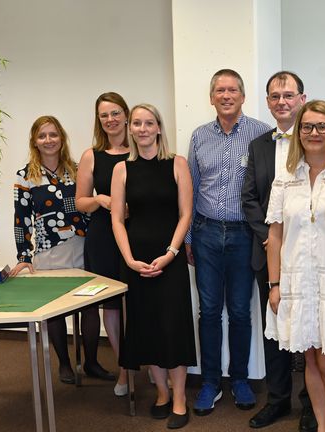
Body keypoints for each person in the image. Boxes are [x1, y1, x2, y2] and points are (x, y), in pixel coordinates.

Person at [265, 100, 325, 432]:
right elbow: (275, 235)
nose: (314, 133)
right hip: (296, 282)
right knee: (311, 362)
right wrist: (274, 285)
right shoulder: (286, 178)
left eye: (322, 126)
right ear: (298, 132)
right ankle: (322, 425)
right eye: (307, 127)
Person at [186, 69, 271, 416]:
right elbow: (189, 190)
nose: (226, 95)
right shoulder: (199, 136)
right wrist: (189, 236)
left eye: (232, 89)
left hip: (242, 235)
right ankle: (209, 382)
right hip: (205, 233)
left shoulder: (260, 134)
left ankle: (239, 379)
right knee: (208, 312)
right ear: (211, 97)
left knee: (239, 311)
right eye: (219, 90)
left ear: (242, 95)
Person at [111, 103, 196, 429]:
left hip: (168, 258)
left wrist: (172, 252)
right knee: (146, 327)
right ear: (131, 128)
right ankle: (161, 391)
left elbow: (186, 213)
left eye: (149, 123)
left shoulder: (177, 164)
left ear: (159, 128)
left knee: (172, 327)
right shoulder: (122, 170)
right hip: (136, 258)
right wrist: (129, 258)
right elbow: (117, 219)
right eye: (137, 123)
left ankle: (178, 398)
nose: (143, 128)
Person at [241, 71, 317, 431]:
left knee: (311, 334)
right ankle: (277, 399)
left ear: (302, 98)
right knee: (274, 330)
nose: (281, 102)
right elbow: (249, 198)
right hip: (268, 252)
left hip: (310, 254)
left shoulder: (319, 138)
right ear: (268, 102)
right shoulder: (258, 146)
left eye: (288, 95)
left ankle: (313, 405)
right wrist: (269, 238)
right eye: (274, 96)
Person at [11, 115, 100, 385]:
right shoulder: (25, 177)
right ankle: (64, 364)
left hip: (84, 245)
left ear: (62, 138)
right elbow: (21, 218)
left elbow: (90, 204)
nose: (48, 140)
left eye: (53, 135)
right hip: (50, 251)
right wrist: (24, 256)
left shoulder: (78, 169)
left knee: (90, 307)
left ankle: (92, 362)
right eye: (42, 136)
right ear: (34, 142)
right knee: (57, 310)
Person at [75, 92, 130, 392]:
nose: (110, 120)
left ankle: (145, 361)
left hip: (137, 234)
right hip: (103, 236)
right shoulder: (91, 156)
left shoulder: (141, 149)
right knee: (111, 305)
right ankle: (124, 368)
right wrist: (99, 198)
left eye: (115, 113)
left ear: (126, 113)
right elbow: (80, 202)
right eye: (104, 115)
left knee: (139, 302)